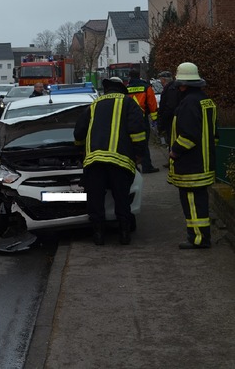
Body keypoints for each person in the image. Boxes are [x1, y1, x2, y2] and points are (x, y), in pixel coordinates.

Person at [74, 77, 146, 245]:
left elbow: (79, 133)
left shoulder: (94, 105)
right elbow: (138, 132)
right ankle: (124, 234)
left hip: (94, 163)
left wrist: (80, 149)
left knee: (95, 199)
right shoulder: (129, 103)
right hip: (120, 162)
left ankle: (98, 236)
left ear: (106, 90)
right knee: (121, 198)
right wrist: (138, 154)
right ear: (122, 89)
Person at [167, 62, 218, 249]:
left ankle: (198, 239)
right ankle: (201, 236)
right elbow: (214, 134)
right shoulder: (206, 101)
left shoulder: (188, 103)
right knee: (200, 202)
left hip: (191, 166)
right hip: (204, 163)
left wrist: (174, 151)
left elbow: (189, 136)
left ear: (183, 84)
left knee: (192, 203)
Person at [127, 68, 159, 173]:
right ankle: (147, 166)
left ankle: (133, 167)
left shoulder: (126, 88)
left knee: (131, 144)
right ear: (139, 75)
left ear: (129, 76)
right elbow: (152, 104)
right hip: (142, 119)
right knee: (143, 143)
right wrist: (155, 120)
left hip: (130, 120)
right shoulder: (146, 87)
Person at [156, 70, 179, 150]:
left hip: (170, 120)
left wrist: (162, 120)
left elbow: (169, 107)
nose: (161, 82)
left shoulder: (170, 89)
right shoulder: (174, 87)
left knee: (171, 140)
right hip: (172, 119)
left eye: (161, 80)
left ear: (164, 80)